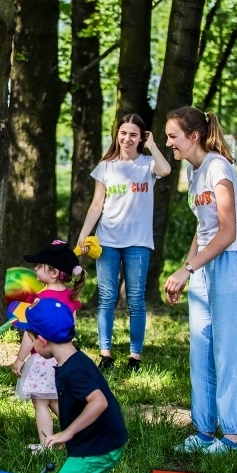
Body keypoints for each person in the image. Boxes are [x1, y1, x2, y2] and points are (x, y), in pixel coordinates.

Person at [163, 106, 237, 454]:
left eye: (173, 136)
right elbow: (204, 229)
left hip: (232, 261)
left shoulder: (219, 167)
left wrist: (186, 269)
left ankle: (230, 437)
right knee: (200, 347)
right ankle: (204, 432)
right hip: (206, 262)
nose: (169, 143)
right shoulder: (193, 170)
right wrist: (188, 270)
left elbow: (228, 232)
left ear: (194, 136)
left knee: (227, 349)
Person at [76, 113, 171, 371]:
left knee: (136, 299)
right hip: (107, 240)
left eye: (133, 134)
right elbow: (97, 205)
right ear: (116, 134)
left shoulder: (148, 164)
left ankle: (135, 357)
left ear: (141, 138)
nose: (127, 138)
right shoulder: (106, 166)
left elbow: (166, 170)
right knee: (107, 297)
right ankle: (105, 354)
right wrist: (84, 234)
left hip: (138, 242)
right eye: (123, 133)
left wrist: (152, 145)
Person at [20, 298, 127, 473]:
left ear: (42, 340)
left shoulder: (73, 371)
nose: (31, 344)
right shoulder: (73, 360)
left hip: (99, 446)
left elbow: (99, 402)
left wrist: (67, 432)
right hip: (97, 441)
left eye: (31, 339)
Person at [11, 241, 86, 454]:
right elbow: (71, 328)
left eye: (39, 266)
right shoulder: (71, 298)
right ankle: (80, 432)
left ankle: (46, 445)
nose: (35, 269)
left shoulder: (41, 300)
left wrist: (20, 359)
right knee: (54, 399)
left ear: (53, 273)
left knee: (41, 403)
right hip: (63, 358)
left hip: (43, 359)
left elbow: (30, 334)